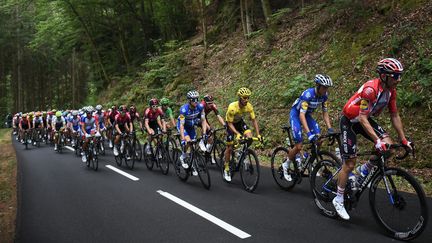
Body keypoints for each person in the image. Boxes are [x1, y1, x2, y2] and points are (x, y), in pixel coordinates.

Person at [333, 58, 412, 220]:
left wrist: (404, 140)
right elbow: (362, 118)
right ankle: (338, 198)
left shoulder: (391, 91)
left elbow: (395, 115)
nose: (399, 79)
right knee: (349, 164)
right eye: (395, 76)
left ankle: (364, 170)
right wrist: (376, 140)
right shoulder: (371, 89)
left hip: (365, 119)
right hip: (351, 121)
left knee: (389, 147)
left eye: (399, 76)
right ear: (384, 76)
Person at [282, 74, 334, 181]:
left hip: (307, 115)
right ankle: (286, 165)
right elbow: (301, 115)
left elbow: (325, 113)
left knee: (319, 139)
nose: (325, 90)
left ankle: (308, 159)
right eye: (324, 87)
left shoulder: (325, 96)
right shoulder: (308, 95)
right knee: (299, 146)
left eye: (327, 88)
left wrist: (330, 128)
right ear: (318, 85)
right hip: (296, 115)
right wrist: (309, 134)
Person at [223, 87, 262, 182]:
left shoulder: (249, 106)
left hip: (239, 122)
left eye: (248, 97)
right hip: (230, 124)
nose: (246, 100)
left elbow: (254, 120)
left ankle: (242, 152)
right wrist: (237, 133)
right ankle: (226, 168)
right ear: (240, 98)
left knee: (249, 137)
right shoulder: (232, 107)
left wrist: (258, 134)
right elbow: (229, 123)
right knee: (229, 146)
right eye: (244, 98)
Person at [177, 90, 207, 175]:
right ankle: (182, 157)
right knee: (188, 141)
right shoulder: (183, 110)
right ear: (189, 100)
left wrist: (204, 133)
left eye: (197, 99)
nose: (196, 101)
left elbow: (203, 120)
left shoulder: (200, 107)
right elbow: (182, 126)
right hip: (183, 125)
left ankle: (192, 164)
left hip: (191, 125)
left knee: (193, 145)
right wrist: (183, 137)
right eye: (194, 100)